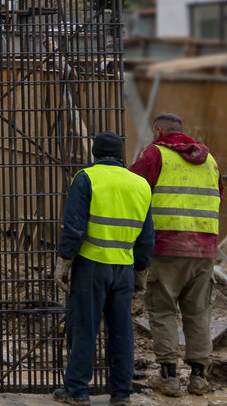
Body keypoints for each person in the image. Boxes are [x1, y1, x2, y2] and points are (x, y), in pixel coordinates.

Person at [53, 131, 155, 406]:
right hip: (123, 268)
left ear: (94, 154)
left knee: (84, 327)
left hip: (91, 265)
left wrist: (64, 261)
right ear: (122, 156)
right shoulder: (141, 184)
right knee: (121, 332)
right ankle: (121, 393)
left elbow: (74, 227)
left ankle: (77, 391)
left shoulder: (86, 178)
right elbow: (147, 238)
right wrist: (141, 272)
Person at [129, 112, 221, 397]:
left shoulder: (155, 155)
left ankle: (169, 377)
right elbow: (220, 198)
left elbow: (131, 189)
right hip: (204, 249)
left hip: (167, 246)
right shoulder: (210, 161)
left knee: (162, 308)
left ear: (158, 131)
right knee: (198, 312)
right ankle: (199, 377)